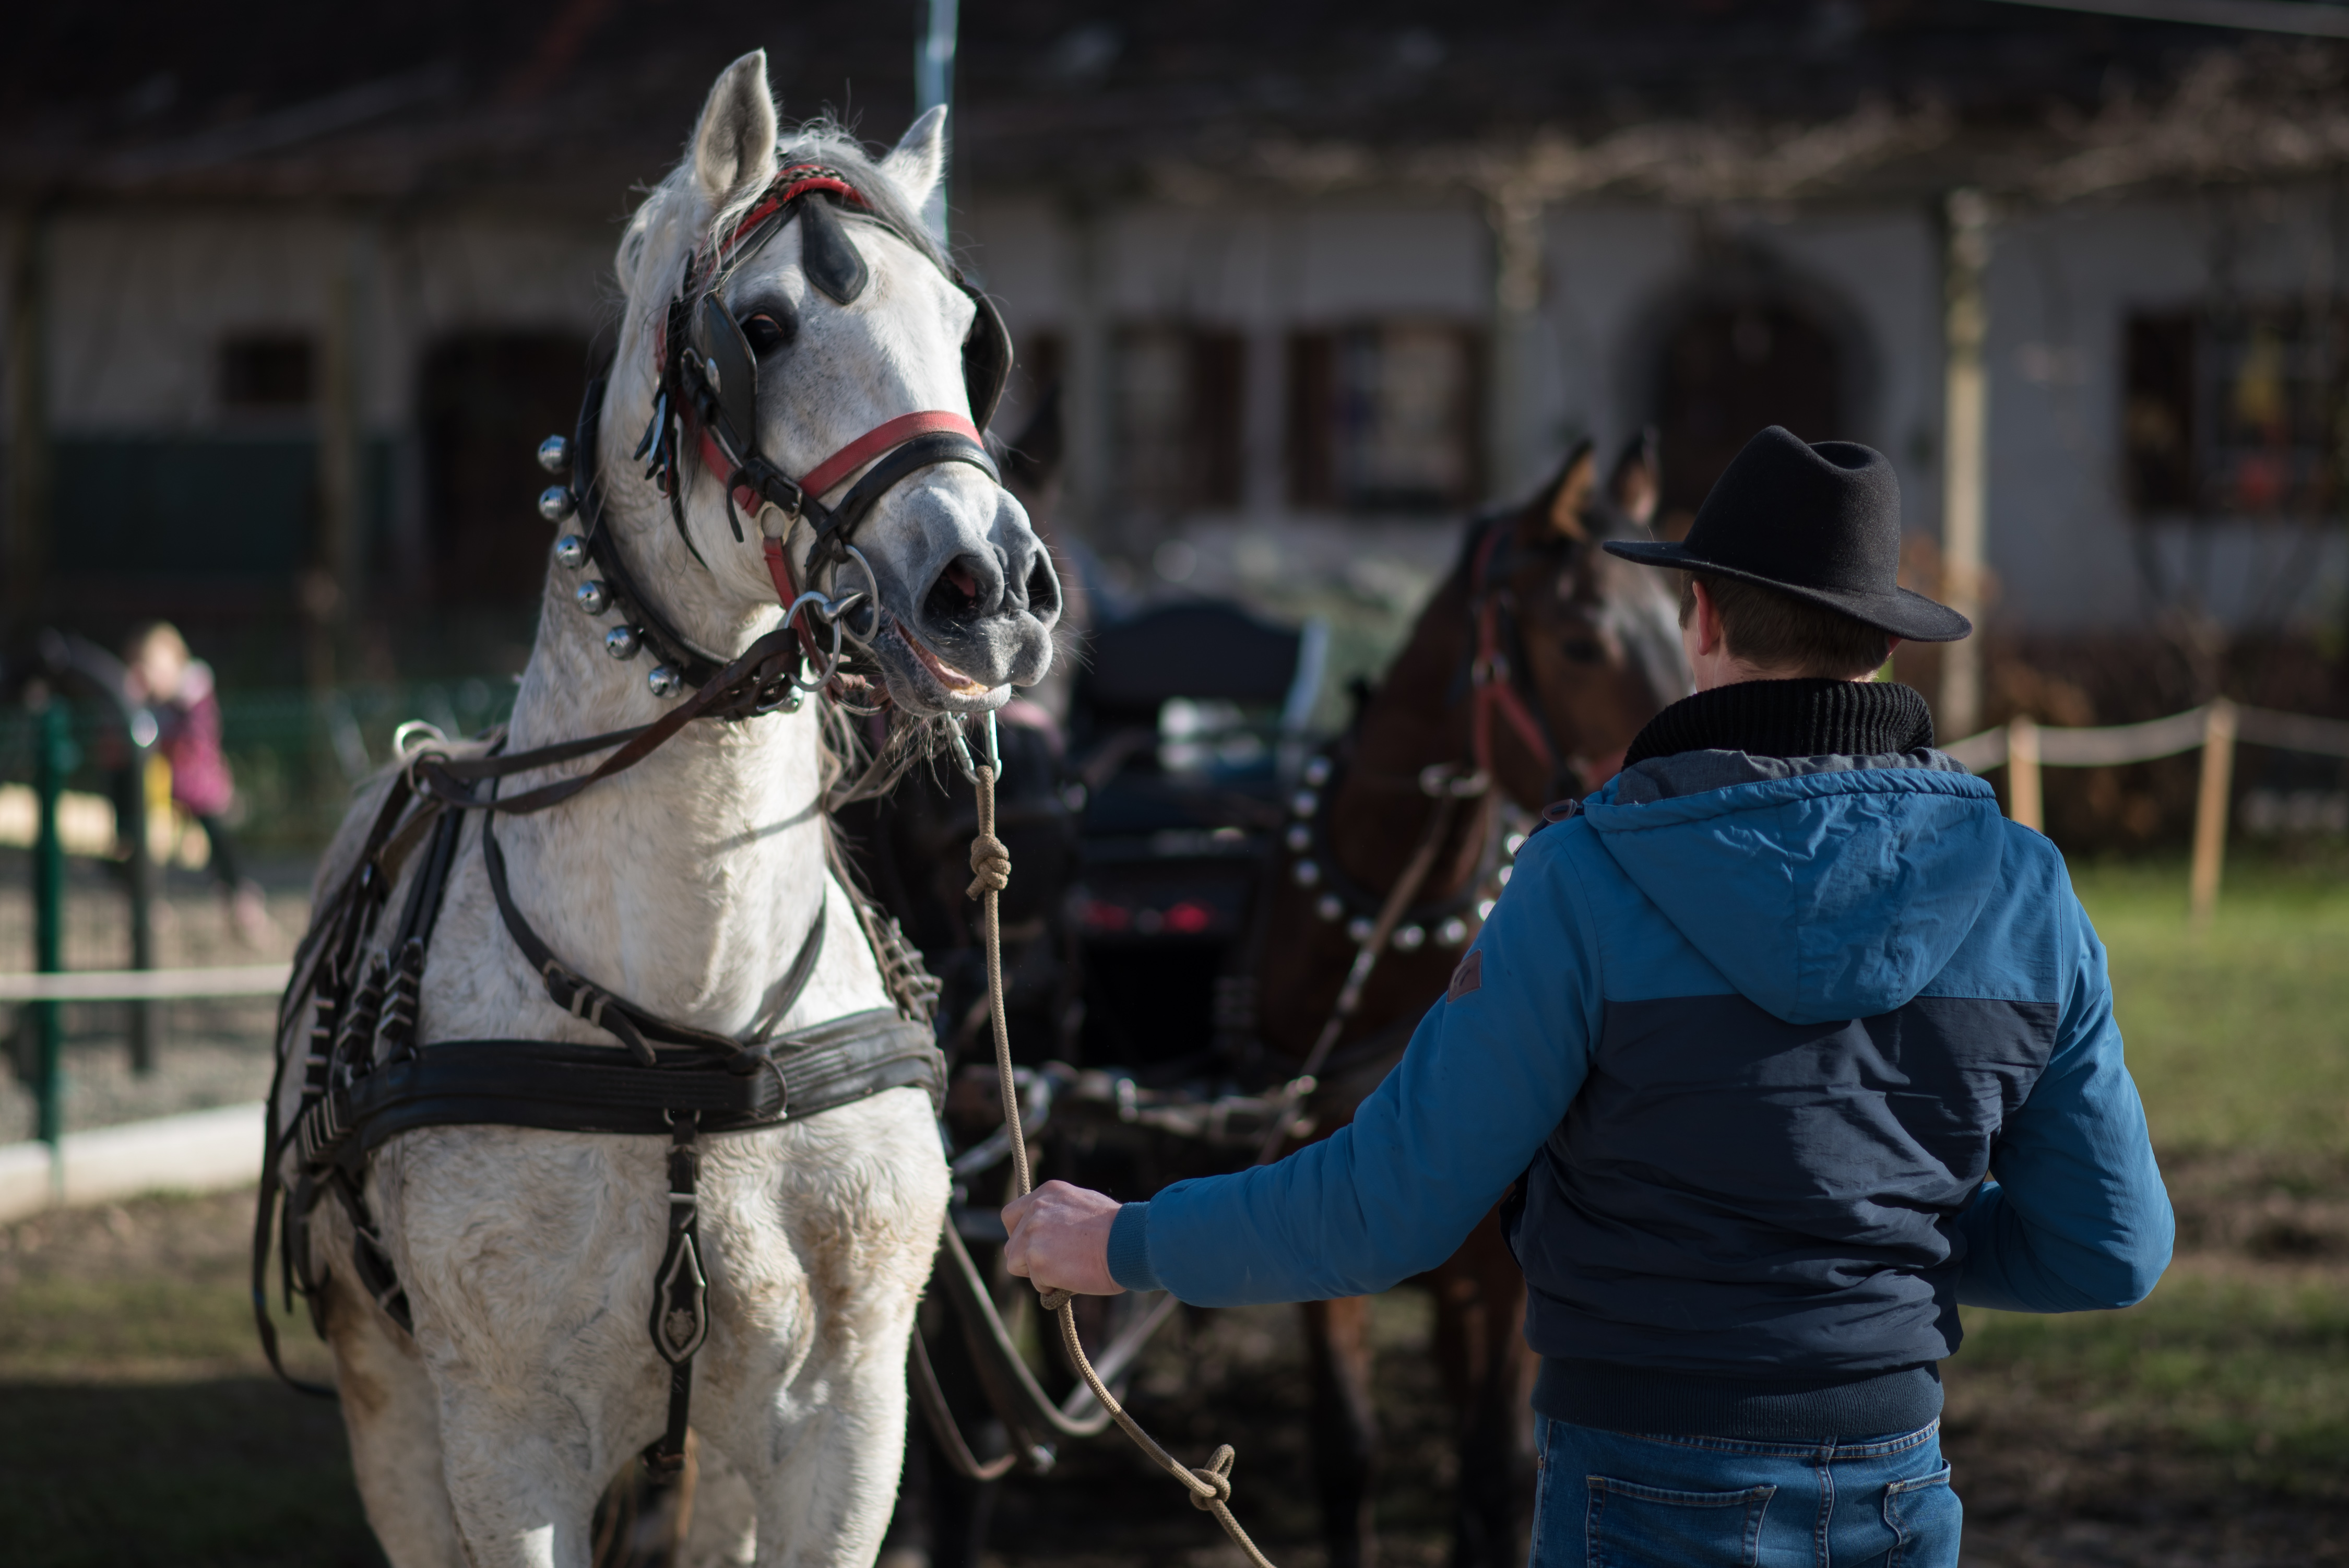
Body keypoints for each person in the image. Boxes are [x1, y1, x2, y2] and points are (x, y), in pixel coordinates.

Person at [1002, 425, 2172, 1567]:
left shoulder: (1584, 875)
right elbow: (2114, 1248)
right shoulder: (2026, 884)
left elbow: (1385, 1211)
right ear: (1882, 648)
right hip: (1899, 1493)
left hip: (1640, 1488)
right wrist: (1878, 1245)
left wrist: (1126, 1241)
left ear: (1700, 620)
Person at [123, 622, 270, 942]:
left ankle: (239, 901)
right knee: (141, 845)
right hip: (164, 791)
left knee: (221, 847)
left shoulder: (193, 696)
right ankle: (148, 906)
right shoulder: (152, 705)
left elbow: (190, 736)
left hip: (200, 790)